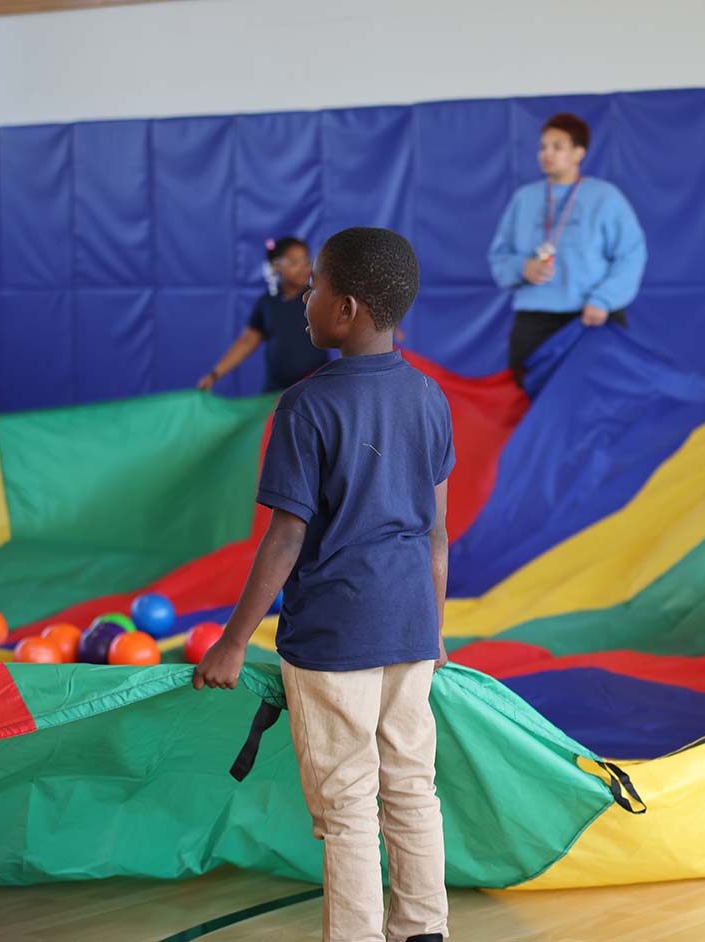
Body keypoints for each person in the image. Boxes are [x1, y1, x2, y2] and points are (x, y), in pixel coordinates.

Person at [192, 227, 453, 942]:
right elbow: (436, 532)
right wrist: (432, 632)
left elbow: (285, 536)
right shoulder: (429, 397)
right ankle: (424, 930)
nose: (303, 298)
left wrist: (232, 641)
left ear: (349, 309)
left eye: (314, 289)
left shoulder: (306, 405)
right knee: (410, 787)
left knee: (347, 806)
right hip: (408, 629)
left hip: (336, 637)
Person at [487, 112, 647, 385]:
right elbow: (499, 256)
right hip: (535, 319)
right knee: (526, 397)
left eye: (557, 147)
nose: (546, 154)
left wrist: (603, 300)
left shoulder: (605, 197)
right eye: (543, 147)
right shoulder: (524, 199)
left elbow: (632, 255)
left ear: (578, 153)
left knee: (597, 396)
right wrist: (522, 267)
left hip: (591, 317)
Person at [197, 237, 329, 394]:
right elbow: (247, 341)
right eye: (294, 262)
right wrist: (214, 374)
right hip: (276, 393)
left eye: (306, 261)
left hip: (315, 387)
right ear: (276, 265)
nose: (303, 267)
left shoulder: (315, 299)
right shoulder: (267, 304)